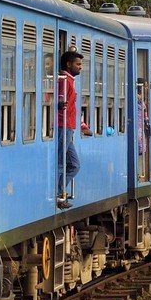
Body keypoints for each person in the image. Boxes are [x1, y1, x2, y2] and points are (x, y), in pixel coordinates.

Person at [57, 50, 86, 206]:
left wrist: (81, 125)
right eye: (78, 64)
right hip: (63, 126)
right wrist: (59, 104)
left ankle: (60, 191)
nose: (80, 67)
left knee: (75, 165)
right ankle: (58, 194)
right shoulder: (64, 81)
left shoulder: (69, 80)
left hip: (69, 126)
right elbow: (58, 100)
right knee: (61, 162)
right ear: (68, 64)